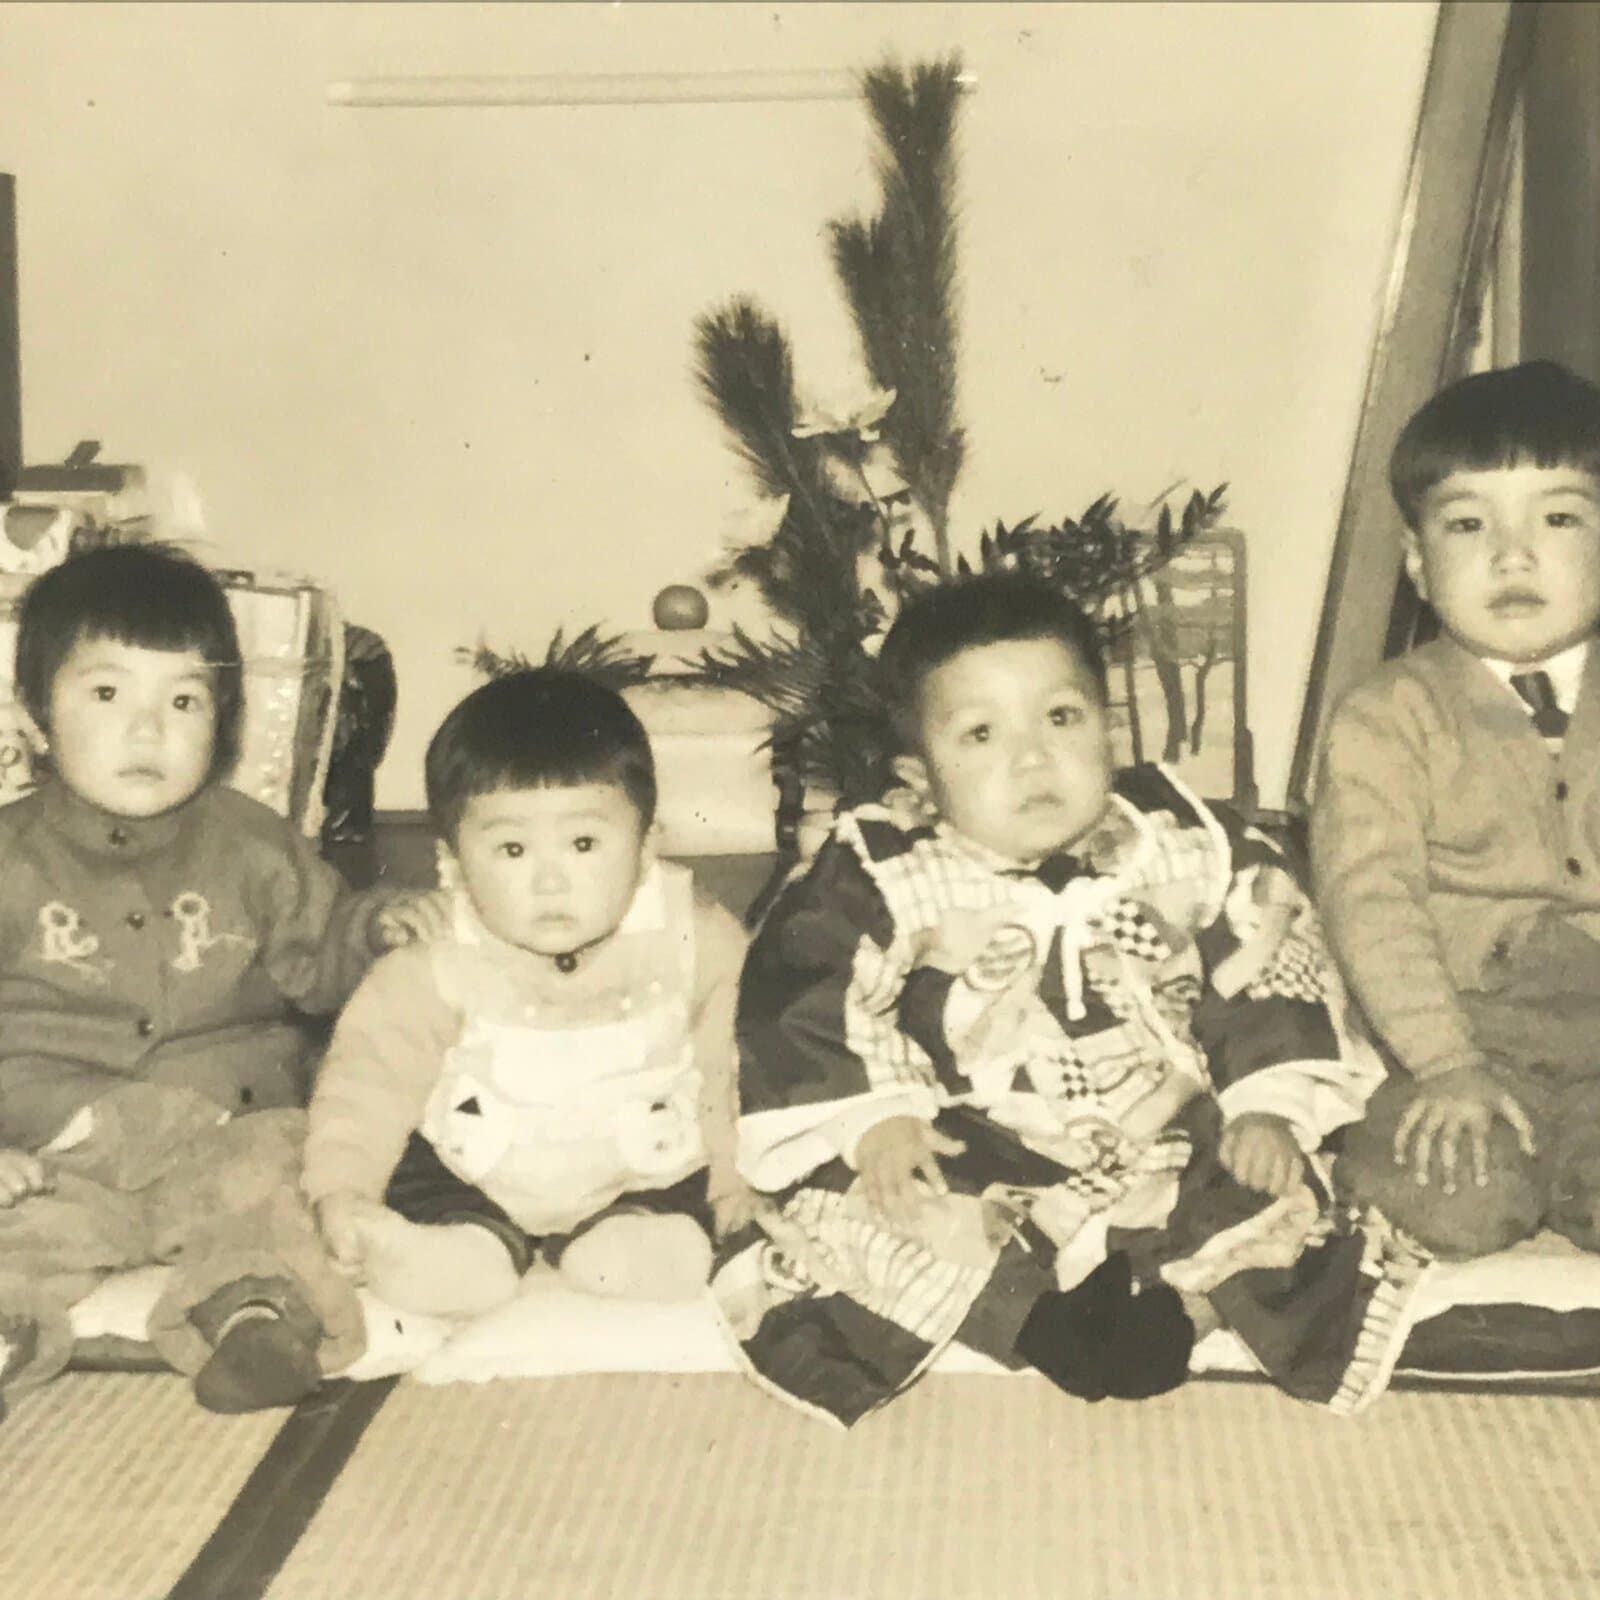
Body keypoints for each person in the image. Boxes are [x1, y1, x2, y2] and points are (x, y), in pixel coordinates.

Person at [712, 571, 1404, 1429]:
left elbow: (1265, 963)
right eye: (980, 734)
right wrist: (877, 1122)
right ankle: (1040, 1326)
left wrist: (1268, 1105)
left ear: (1106, 728)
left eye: (1062, 718)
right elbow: (814, 997)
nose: (1033, 757)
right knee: (881, 1208)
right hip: (977, 1129)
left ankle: (1183, 1314)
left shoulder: (1190, 845)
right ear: (919, 779)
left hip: (1171, 1122)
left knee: (1278, 1188)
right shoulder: (887, 875)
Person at [0, 542, 443, 1416]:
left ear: (224, 720)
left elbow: (319, 958)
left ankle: (256, 1319)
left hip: (224, 1117)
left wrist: (376, 926)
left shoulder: (251, 843)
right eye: (105, 693)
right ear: (34, 716)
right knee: (20, 1229)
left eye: (184, 699)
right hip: (60, 1140)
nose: (148, 728)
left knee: (275, 1185)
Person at [302, 668, 758, 1319]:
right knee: (418, 1172)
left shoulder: (697, 939)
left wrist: (733, 1182)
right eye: (512, 849)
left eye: (583, 843)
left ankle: (634, 1245)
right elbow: (366, 1078)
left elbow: (734, 1067)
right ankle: (458, 1256)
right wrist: (343, 1192)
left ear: (648, 845)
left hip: (637, 1168)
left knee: (677, 1191)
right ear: (453, 865)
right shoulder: (436, 956)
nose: (550, 881)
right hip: (476, 1169)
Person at [1312, 359, 1600, 1261]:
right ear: (1416, 564)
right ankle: (1502, 1165)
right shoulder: (1384, 718)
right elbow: (1373, 903)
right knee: (1451, 1199)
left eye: (1558, 518)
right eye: (1468, 524)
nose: (1512, 554)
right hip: (1465, 1032)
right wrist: (1444, 1063)